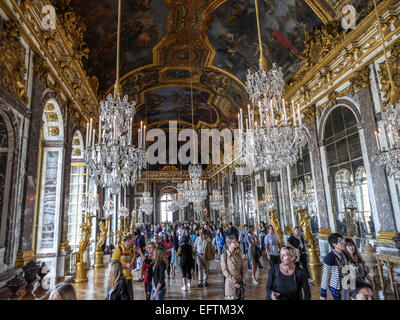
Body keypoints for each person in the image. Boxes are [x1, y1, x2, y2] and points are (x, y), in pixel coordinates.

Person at [320, 233, 350, 300]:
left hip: (346, 284)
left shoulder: (344, 254)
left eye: (343, 240)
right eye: (340, 241)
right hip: (336, 287)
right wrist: (323, 294)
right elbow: (325, 276)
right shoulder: (329, 257)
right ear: (334, 244)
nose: (343, 242)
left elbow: (348, 270)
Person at [111, 234, 138, 300]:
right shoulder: (118, 250)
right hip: (119, 278)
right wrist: (125, 265)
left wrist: (134, 265)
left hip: (128, 278)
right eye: (133, 241)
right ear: (128, 240)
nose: (134, 243)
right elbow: (113, 265)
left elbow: (134, 265)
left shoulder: (132, 251)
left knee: (129, 297)